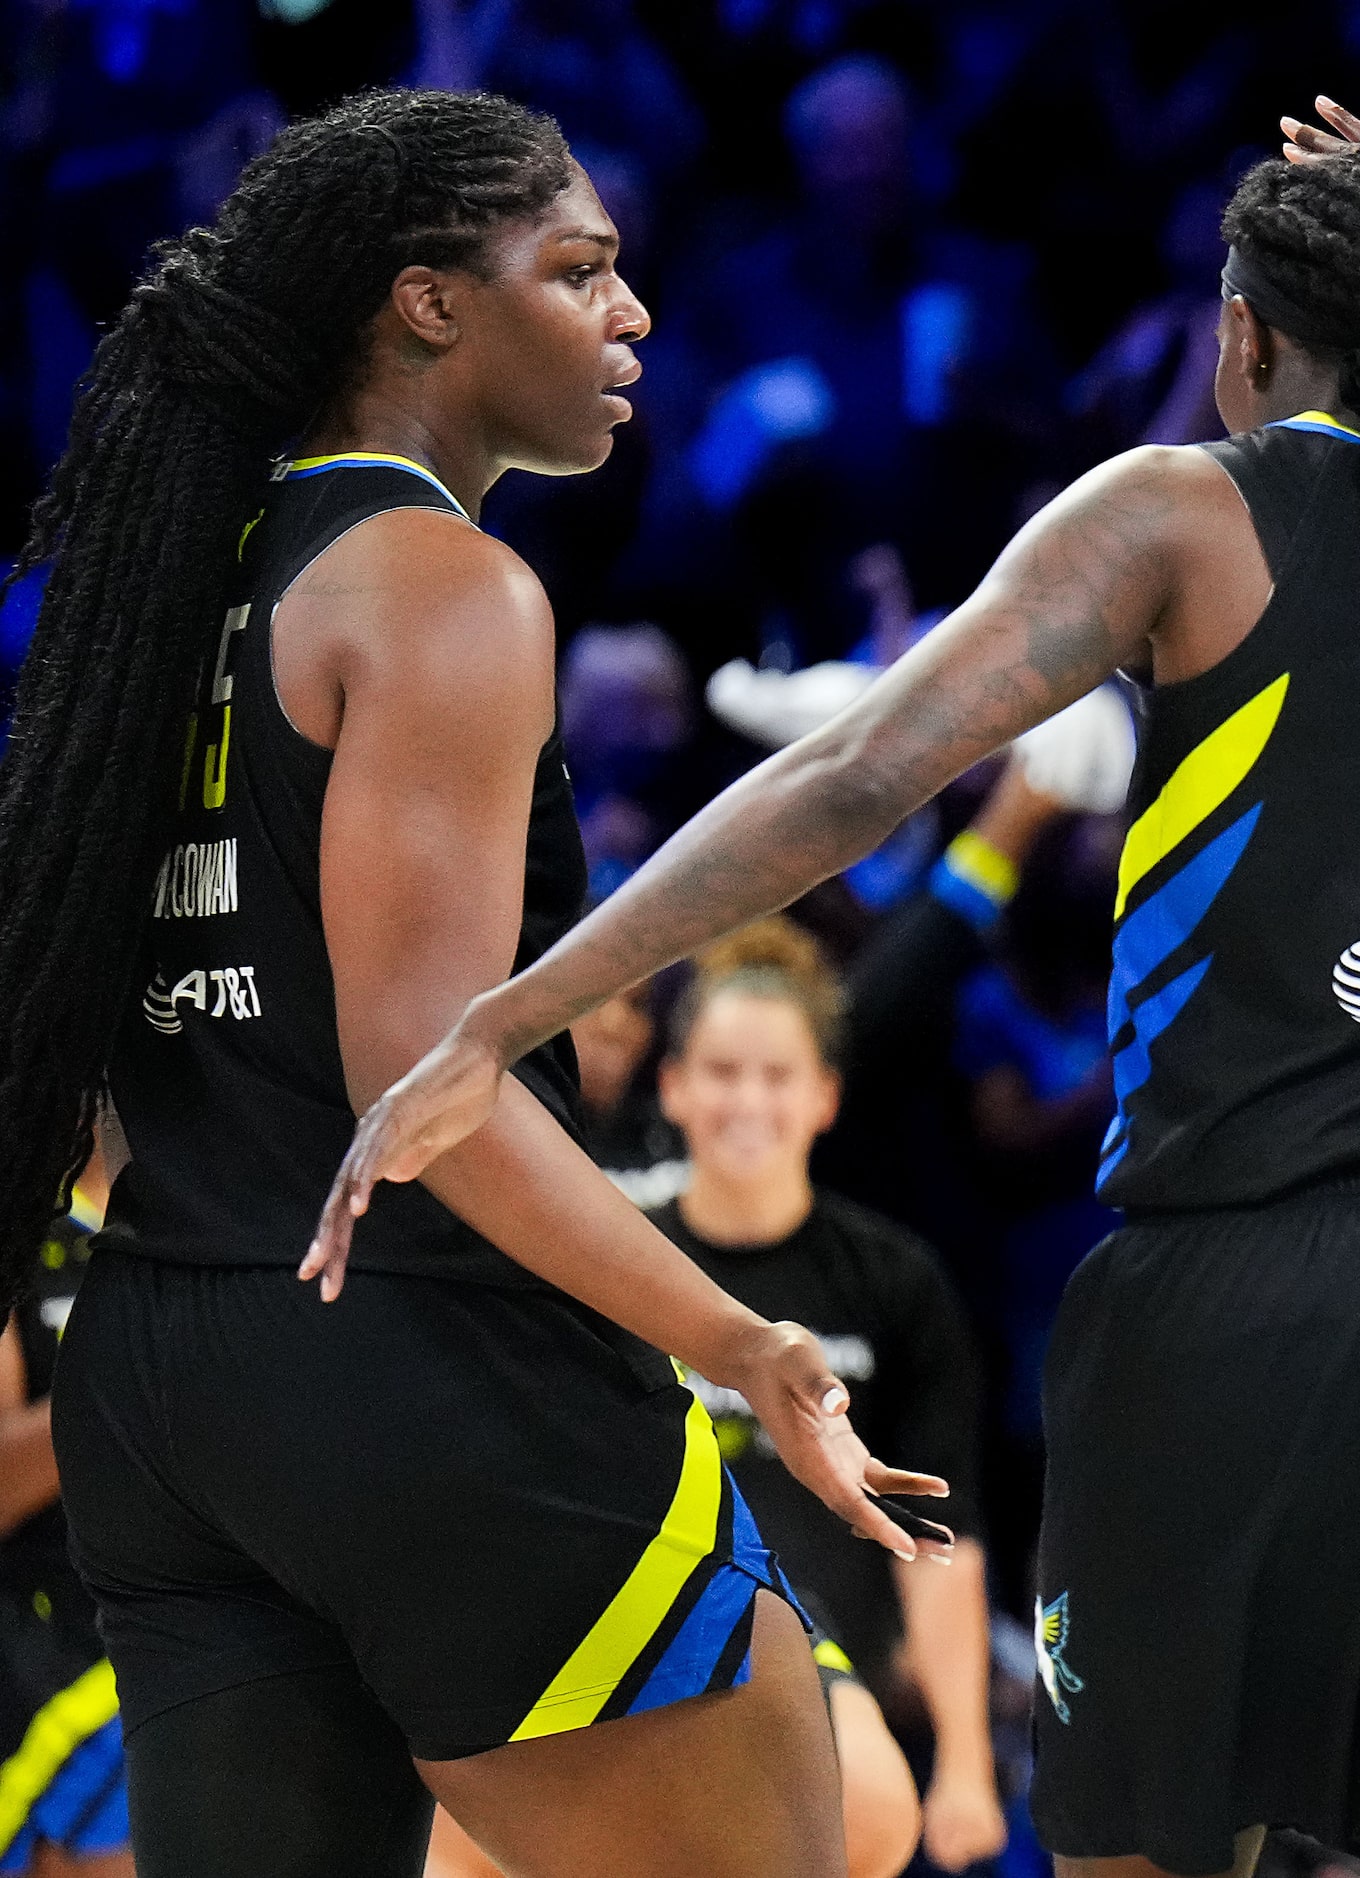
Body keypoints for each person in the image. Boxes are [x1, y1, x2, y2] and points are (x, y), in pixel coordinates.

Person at [316, 94, 1360, 1878]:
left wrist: (507, 1013)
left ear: (1241, 340)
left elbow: (846, 780)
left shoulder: (1187, 510)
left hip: (1251, 1291)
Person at [0, 90, 944, 1878]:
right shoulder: (440, 585)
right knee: (841, 1822)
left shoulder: (162, 594)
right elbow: (419, 1084)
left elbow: (111, 1038)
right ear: (431, 305)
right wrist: (735, 1337)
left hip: (169, 1370)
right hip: (422, 1357)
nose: (632, 314)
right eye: (579, 271)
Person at [646, 919, 1003, 1874]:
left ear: (825, 1097)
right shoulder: (620, 1259)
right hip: (625, 1620)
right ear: (673, 1087)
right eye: (723, 1072)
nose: (748, 1100)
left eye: (776, 1076)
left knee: (874, 1810)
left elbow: (943, 1533)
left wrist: (966, 1762)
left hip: (812, 1642)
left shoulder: (897, 1282)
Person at [0, 1144, 128, 1878]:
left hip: (226, 1614)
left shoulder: (209, 1193)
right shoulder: (22, 1228)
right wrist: (127, 1369)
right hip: (63, 1661)